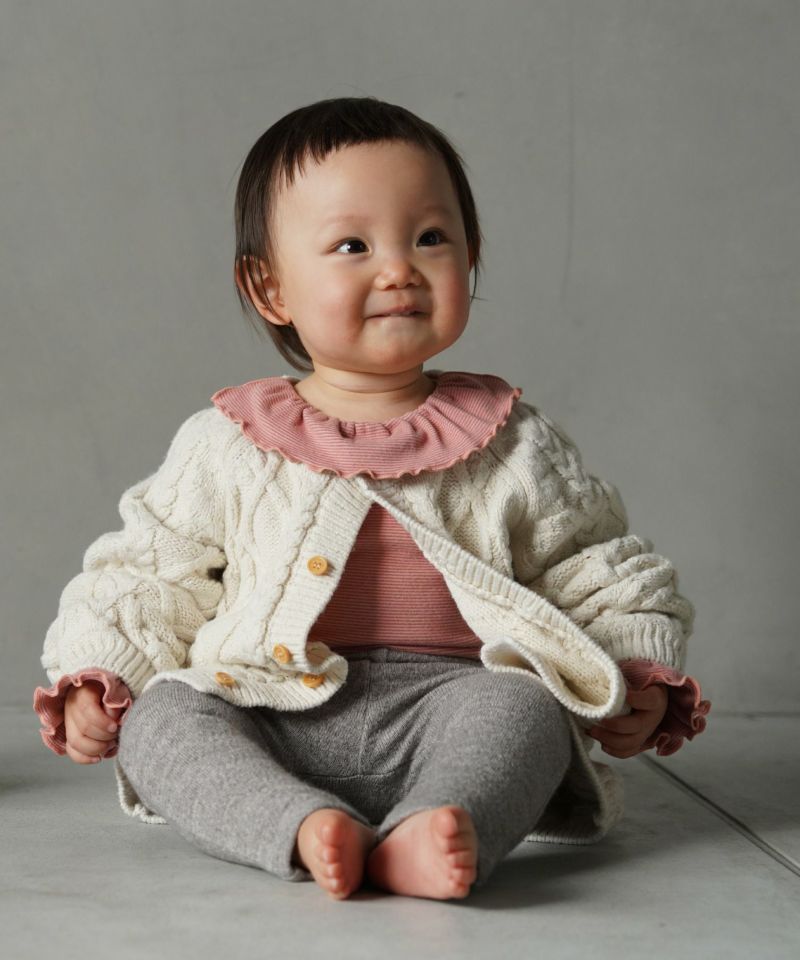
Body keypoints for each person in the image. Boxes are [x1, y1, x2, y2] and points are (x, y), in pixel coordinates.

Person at [33, 96, 711, 902]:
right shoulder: (227, 444)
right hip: (270, 709)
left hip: (451, 706)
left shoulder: (514, 442)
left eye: (431, 238)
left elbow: (596, 564)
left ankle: (441, 821)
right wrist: (97, 673)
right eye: (353, 245)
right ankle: (300, 824)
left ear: (471, 256)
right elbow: (147, 573)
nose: (399, 269)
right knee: (165, 719)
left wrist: (636, 668)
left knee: (529, 711)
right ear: (270, 287)